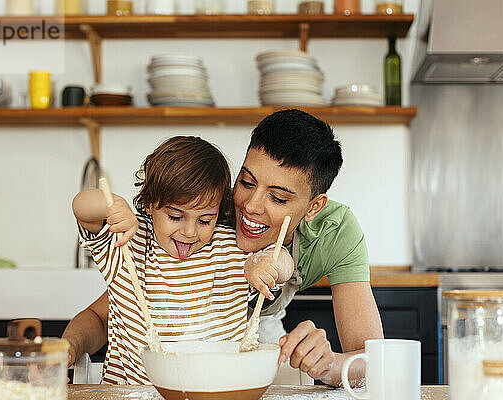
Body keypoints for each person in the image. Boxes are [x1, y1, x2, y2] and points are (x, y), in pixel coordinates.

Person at [63, 136, 293, 384]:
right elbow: (81, 207)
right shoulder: (129, 240)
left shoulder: (231, 247)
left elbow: (281, 259)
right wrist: (111, 206)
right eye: (175, 216)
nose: (190, 232)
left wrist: (269, 265)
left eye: (205, 220)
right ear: (150, 203)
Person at [236, 109, 384, 387]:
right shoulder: (205, 204)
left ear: (314, 207)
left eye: (278, 198)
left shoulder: (335, 231)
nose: (251, 206)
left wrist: (328, 364)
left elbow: (372, 359)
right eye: (246, 182)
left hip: (265, 335)